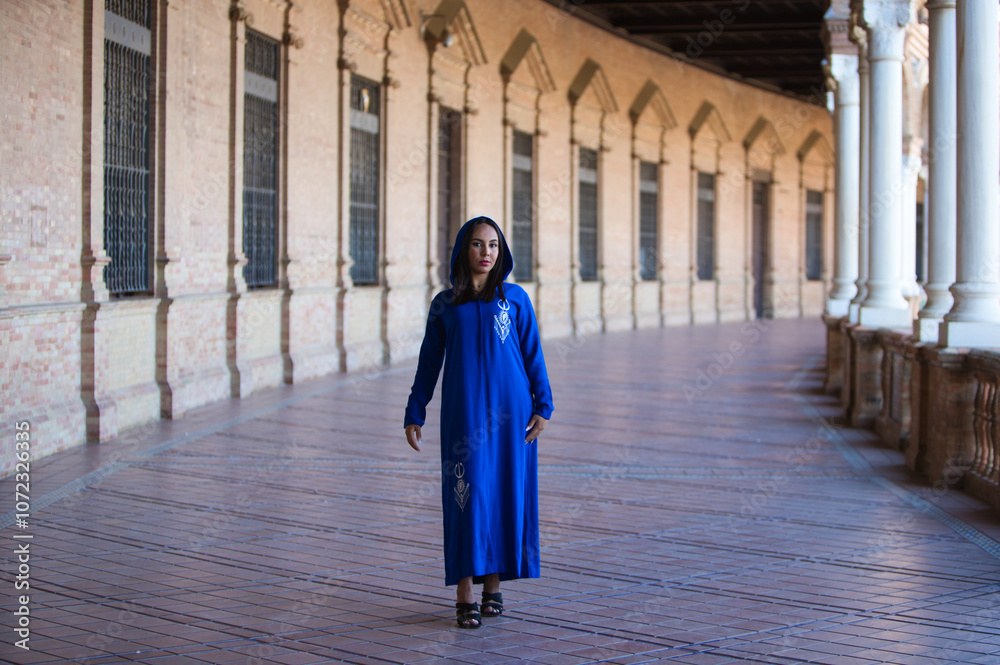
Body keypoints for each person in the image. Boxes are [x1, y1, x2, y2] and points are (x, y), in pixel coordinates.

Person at [404, 216, 554, 629]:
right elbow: (429, 362)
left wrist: (544, 404)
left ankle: (493, 587)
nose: (486, 252)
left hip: (512, 416)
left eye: (492, 245)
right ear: (462, 250)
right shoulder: (445, 305)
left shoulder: (516, 300)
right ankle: (464, 591)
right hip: (465, 416)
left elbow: (532, 354)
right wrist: (415, 409)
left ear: (500, 251)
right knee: (466, 496)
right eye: (477, 244)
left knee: (503, 494)